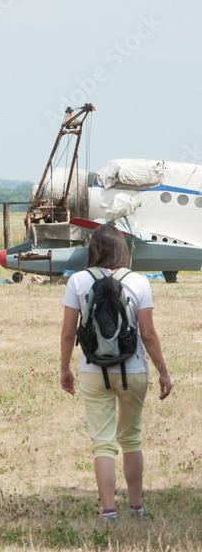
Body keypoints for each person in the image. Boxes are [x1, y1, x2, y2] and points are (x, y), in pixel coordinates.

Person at [60, 224, 173, 523]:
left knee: (103, 443)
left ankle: (109, 513)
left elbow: (68, 332)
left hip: (92, 370)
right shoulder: (138, 282)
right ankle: (136, 508)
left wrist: (65, 368)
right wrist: (163, 371)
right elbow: (147, 334)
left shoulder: (78, 281)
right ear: (122, 249)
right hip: (133, 369)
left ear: (93, 248)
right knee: (132, 439)